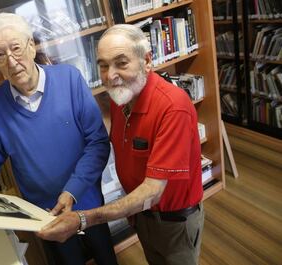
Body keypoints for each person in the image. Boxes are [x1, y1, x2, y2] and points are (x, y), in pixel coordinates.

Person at [0, 13, 118, 265]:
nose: (11, 60)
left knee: (106, 257)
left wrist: (72, 191)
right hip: (44, 212)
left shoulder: (69, 79)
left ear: (31, 46)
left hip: (87, 200)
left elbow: (97, 142)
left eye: (16, 48)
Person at [38, 24, 205, 265]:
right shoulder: (121, 98)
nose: (110, 75)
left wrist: (83, 219)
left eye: (121, 63)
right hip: (141, 214)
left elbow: (153, 190)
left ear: (147, 61)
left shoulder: (173, 107)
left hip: (174, 224)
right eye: (103, 65)